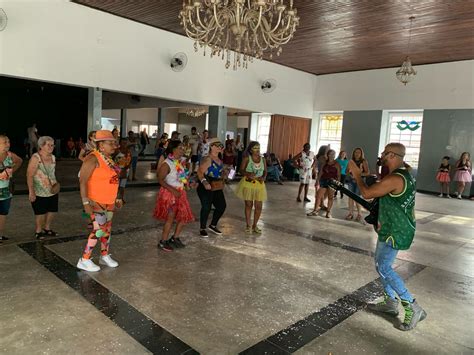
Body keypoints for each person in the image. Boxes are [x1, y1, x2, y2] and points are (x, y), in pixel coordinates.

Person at [348, 143, 426, 331]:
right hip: (391, 227)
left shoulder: (397, 178)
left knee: (383, 266)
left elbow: (366, 193)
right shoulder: (402, 175)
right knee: (380, 265)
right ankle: (390, 303)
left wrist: (357, 175)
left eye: (384, 153)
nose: (381, 155)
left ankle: (412, 306)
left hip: (396, 231)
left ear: (392, 155)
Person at [77, 130, 122, 272]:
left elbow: (113, 180)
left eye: (114, 143)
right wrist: (85, 204)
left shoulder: (109, 159)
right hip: (96, 202)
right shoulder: (92, 159)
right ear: (101, 145)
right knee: (97, 231)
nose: (114, 146)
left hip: (109, 202)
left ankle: (104, 255)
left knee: (107, 230)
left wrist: (117, 197)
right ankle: (84, 259)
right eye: (111, 143)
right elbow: (82, 182)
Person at [154, 140, 194, 251]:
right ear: (173, 149)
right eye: (180, 148)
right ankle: (163, 241)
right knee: (170, 219)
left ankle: (175, 238)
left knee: (184, 217)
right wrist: (173, 190)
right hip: (170, 194)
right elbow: (160, 180)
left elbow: (182, 178)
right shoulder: (167, 163)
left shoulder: (180, 162)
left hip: (180, 192)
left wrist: (188, 183)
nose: (183, 150)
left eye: (183, 148)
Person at [27, 136, 60, 240]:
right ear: (41, 146)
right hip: (39, 190)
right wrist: (31, 191)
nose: (51, 147)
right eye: (48, 145)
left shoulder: (53, 157)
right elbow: (29, 175)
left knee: (52, 210)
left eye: (52, 145)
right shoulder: (36, 158)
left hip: (52, 190)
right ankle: (38, 231)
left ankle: (47, 228)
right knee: (40, 212)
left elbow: (52, 173)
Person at [196, 138, 226, 237]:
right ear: (212, 146)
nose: (220, 148)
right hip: (206, 185)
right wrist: (204, 182)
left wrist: (225, 174)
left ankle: (213, 225)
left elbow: (220, 173)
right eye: (218, 145)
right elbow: (200, 172)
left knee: (221, 206)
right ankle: (202, 228)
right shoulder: (208, 159)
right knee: (206, 207)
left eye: (221, 146)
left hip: (216, 186)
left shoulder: (219, 160)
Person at [236, 141, 267, 234]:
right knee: (249, 205)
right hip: (248, 184)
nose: (257, 150)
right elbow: (240, 170)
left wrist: (264, 177)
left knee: (259, 206)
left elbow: (265, 171)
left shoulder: (263, 159)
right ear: (250, 150)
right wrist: (247, 173)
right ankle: (248, 225)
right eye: (255, 148)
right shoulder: (247, 159)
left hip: (259, 184)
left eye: (258, 148)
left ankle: (255, 225)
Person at [0, 135, 23, 242]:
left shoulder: (10, 155)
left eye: (8, 142)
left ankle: (0, 234)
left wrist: (12, 171)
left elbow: (19, 161)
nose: (8, 144)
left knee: (3, 213)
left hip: (5, 190)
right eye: (5, 142)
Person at [307, 149, 341, 218]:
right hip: (324, 180)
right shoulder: (324, 163)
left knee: (330, 197)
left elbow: (338, 175)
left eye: (334, 154)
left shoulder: (337, 164)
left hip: (332, 182)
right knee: (318, 196)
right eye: (331, 154)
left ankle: (328, 212)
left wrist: (337, 183)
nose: (332, 155)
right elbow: (321, 172)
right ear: (328, 155)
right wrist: (317, 181)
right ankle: (315, 211)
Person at [345, 147, 370, 222]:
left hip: (360, 181)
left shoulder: (363, 161)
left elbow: (367, 172)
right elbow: (346, 171)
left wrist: (358, 174)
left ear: (361, 154)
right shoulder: (351, 161)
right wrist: (350, 174)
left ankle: (359, 214)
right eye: (356, 152)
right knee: (350, 197)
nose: (357, 154)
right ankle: (350, 213)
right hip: (351, 181)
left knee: (357, 197)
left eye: (359, 152)